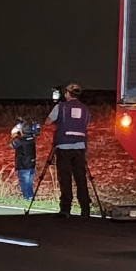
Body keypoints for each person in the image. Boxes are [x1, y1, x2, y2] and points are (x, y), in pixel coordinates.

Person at [47, 83, 91, 217]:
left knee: (65, 178)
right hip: (80, 148)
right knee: (81, 178)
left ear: (67, 94)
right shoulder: (85, 109)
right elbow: (87, 123)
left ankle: (65, 209)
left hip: (64, 146)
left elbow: (48, 121)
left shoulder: (60, 107)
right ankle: (85, 208)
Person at [10, 121, 37, 202]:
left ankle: (27, 199)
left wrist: (14, 135)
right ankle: (31, 198)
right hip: (31, 164)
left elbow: (10, 145)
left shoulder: (20, 141)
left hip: (23, 165)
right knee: (29, 183)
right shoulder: (32, 138)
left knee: (25, 183)